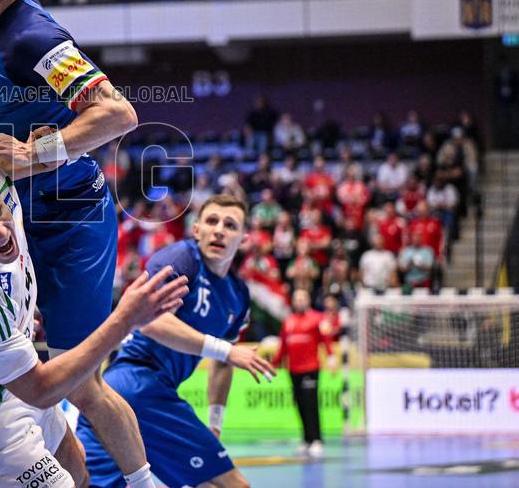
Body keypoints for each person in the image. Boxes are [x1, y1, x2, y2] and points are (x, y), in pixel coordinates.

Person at [0, 0, 162, 485]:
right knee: (35, 377)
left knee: (83, 384)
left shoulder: (33, 36)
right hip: (20, 222)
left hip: (70, 224)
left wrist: (32, 156)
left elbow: (118, 112)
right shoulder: (2, 7)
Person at [0, 161, 187, 488]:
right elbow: (42, 390)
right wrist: (124, 319)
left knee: (80, 476)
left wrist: (45, 145)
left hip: (11, 381)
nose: (2, 233)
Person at [77, 195, 274, 488]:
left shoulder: (238, 296)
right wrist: (226, 350)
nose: (219, 230)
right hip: (138, 382)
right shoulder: (181, 259)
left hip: (127, 391)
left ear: (243, 238)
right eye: (211, 221)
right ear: (197, 230)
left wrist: (215, 424)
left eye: (230, 225)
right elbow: (149, 320)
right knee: (231, 485)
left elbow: (223, 363)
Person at [271, 288, 335, 459]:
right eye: (296, 298)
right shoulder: (288, 321)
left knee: (311, 405)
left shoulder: (317, 319)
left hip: (311, 369)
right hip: (293, 370)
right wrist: (272, 366)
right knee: (299, 405)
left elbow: (326, 340)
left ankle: (317, 440)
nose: (299, 301)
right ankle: (306, 440)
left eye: (302, 298)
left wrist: (331, 358)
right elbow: (283, 347)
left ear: (308, 300)